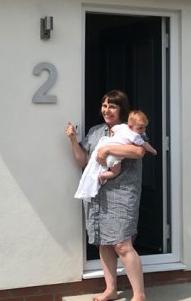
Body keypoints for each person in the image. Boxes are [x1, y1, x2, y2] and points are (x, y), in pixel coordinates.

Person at [66, 90, 147, 301]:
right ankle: (110, 289)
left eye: (112, 106)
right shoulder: (95, 132)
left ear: (121, 108)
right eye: (104, 105)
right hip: (97, 192)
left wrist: (107, 149)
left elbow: (138, 152)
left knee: (122, 243)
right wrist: (74, 141)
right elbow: (83, 161)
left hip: (122, 192)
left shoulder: (130, 129)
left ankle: (139, 295)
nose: (106, 110)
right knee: (104, 242)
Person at [74, 110, 157, 200]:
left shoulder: (122, 127)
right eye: (140, 128)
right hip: (113, 158)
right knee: (115, 171)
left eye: (144, 128)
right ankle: (103, 175)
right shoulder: (135, 136)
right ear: (130, 126)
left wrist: (112, 138)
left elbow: (114, 129)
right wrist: (153, 150)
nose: (143, 130)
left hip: (104, 150)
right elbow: (144, 145)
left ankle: (101, 175)